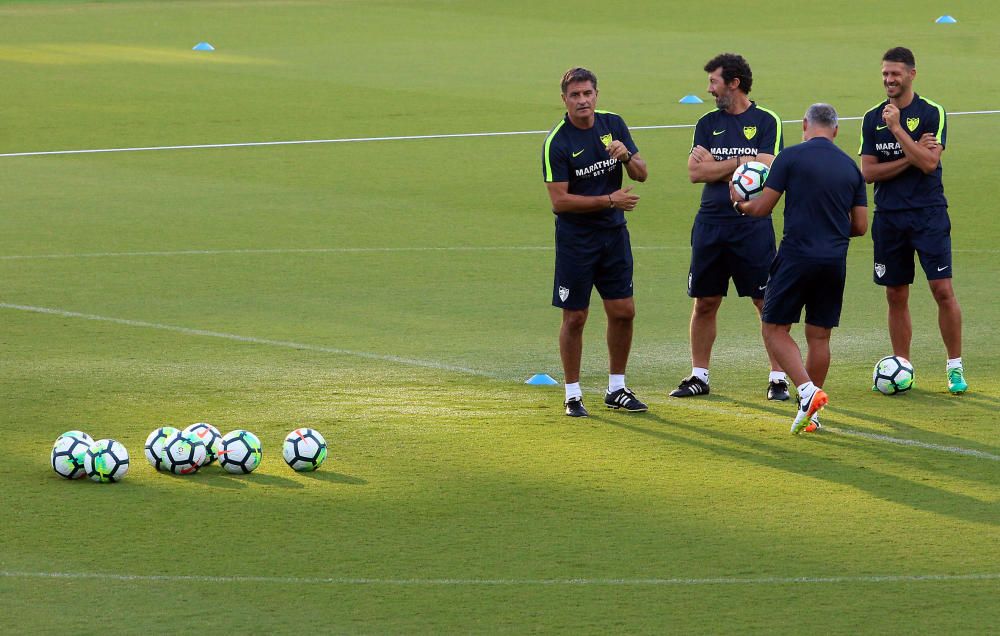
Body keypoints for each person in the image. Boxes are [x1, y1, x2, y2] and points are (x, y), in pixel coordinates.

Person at [732, 103, 868, 433]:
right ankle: (811, 415)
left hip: (796, 258)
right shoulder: (851, 168)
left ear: (804, 124)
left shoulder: (789, 158)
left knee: (773, 328)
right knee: (819, 336)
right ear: (835, 130)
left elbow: (763, 208)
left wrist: (739, 202)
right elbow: (861, 226)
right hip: (834, 262)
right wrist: (832, 228)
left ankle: (807, 392)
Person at [671, 53, 790, 401]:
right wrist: (743, 160)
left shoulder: (767, 121)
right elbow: (695, 173)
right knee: (705, 301)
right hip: (710, 224)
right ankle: (699, 375)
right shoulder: (707, 123)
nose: (709, 89)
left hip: (752, 224)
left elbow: (770, 165)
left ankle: (778, 377)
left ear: (733, 84)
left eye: (713, 82)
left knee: (764, 300)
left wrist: (720, 163)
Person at [541, 67, 649, 417]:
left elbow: (642, 174)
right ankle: (572, 394)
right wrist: (608, 201)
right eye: (575, 95)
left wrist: (627, 157)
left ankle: (616, 388)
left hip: (614, 236)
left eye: (588, 93)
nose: (583, 100)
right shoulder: (557, 142)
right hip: (577, 240)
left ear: (596, 95)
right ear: (564, 100)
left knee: (624, 311)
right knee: (575, 317)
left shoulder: (613, 124)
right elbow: (559, 201)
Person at [859, 46, 967, 394]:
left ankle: (954, 367)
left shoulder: (932, 112)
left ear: (911, 75)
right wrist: (911, 154)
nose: (889, 80)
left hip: (928, 214)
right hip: (889, 218)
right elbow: (869, 172)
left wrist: (898, 131)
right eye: (885, 74)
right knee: (895, 293)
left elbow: (930, 164)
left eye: (895, 74)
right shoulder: (871, 117)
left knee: (942, 290)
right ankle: (902, 367)